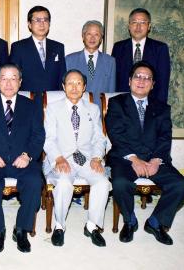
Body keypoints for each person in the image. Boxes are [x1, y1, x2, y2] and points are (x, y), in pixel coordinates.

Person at [105, 61, 184, 245]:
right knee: (120, 182)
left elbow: (165, 137)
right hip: (125, 158)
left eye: (147, 78)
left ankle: (156, 222)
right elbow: (115, 133)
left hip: (154, 159)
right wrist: (134, 159)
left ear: (153, 84)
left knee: (180, 185)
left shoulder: (162, 108)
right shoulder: (117, 103)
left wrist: (155, 161)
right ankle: (129, 221)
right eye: (138, 76)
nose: (142, 81)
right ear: (129, 81)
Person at [0, 64, 45, 253]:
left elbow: (38, 136)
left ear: (20, 82)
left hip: (22, 159)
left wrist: (27, 155)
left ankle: (21, 229)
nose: (9, 83)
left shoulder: (32, 106)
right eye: (4, 78)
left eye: (14, 78)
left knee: (35, 180)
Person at [43, 69, 110, 247]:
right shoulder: (53, 108)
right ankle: (60, 226)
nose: (74, 87)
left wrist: (97, 157)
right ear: (63, 86)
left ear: (84, 87)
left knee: (102, 183)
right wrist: (57, 158)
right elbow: (48, 139)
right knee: (64, 183)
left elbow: (99, 138)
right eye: (70, 83)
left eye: (78, 83)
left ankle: (92, 225)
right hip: (62, 157)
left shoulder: (93, 109)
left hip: (87, 158)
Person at [111, 8, 170, 103]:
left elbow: (163, 83)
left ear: (149, 26)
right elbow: (114, 79)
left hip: (151, 105)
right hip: (123, 105)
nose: (138, 27)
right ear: (129, 26)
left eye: (142, 22)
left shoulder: (160, 48)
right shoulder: (118, 47)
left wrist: (159, 108)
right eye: (134, 22)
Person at [10, 6, 66, 92]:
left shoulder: (58, 47)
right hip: (28, 99)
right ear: (29, 24)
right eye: (37, 20)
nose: (42, 24)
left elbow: (62, 77)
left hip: (53, 99)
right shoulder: (18, 47)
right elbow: (14, 78)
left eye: (45, 20)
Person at [66, 20, 115, 107]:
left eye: (96, 34)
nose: (92, 38)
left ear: (101, 38)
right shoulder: (69, 60)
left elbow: (111, 92)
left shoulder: (110, 61)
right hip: (77, 110)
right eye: (89, 34)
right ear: (83, 36)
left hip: (101, 114)